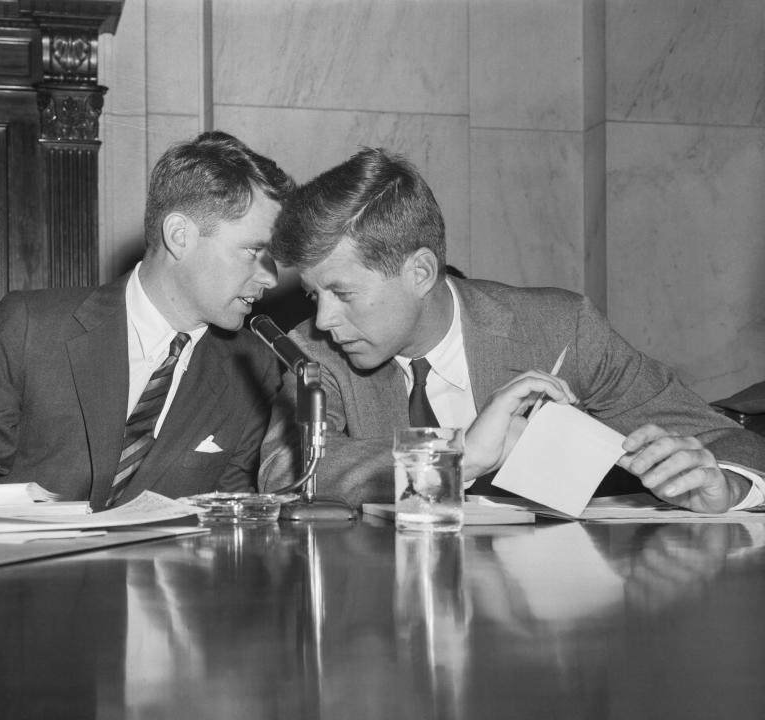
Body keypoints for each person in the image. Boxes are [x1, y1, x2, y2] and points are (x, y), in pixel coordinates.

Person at [258, 148, 765, 513]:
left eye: (342, 293)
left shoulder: (563, 329)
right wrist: (457, 456)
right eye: (312, 294)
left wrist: (727, 486)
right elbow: (286, 474)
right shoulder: (311, 352)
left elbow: (724, 436)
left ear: (420, 273)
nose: (322, 319)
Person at [0, 131, 294, 507]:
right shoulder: (30, 330)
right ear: (180, 236)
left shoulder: (253, 367)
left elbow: (232, 524)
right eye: (253, 250)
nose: (270, 276)